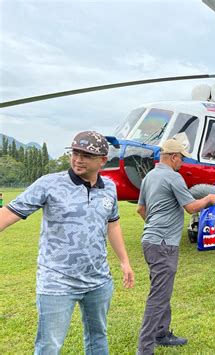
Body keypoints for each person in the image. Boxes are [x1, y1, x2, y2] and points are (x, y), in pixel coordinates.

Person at [0, 131, 135, 354]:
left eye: (86, 155)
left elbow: (113, 224)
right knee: (49, 346)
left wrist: (124, 261)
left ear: (103, 160)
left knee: (98, 338)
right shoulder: (49, 184)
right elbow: (7, 214)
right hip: (57, 282)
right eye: (75, 153)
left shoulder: (109, 188)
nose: (78, 159)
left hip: (98, 281)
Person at [136, 138, 215, 353]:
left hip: (150, 241)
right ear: (173, 157)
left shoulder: (150, 177)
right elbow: (191, 208)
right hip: (164, 244)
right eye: (181, 158)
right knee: (158, 296)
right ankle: (145, 348)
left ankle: (161, 333)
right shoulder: (174, 177)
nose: (182, 162)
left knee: (161, 290)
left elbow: (141, 210)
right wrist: (209, 198)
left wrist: (156, 226)